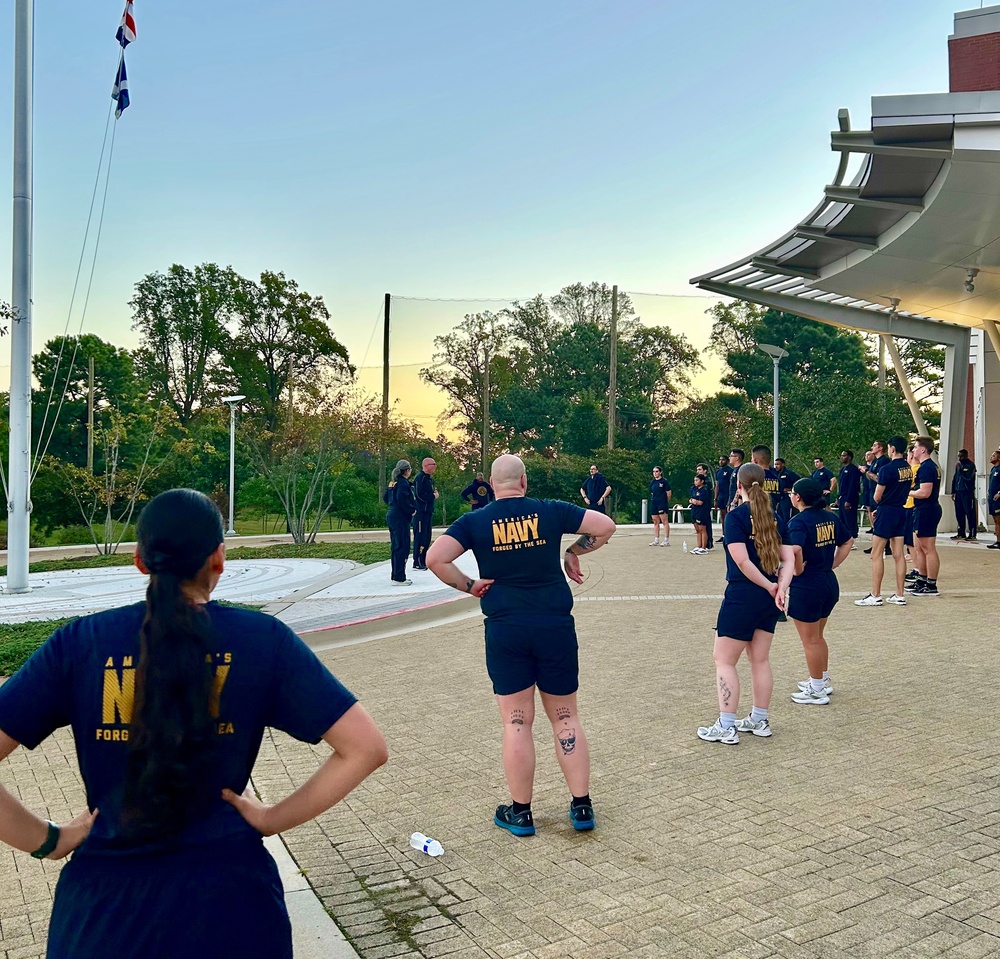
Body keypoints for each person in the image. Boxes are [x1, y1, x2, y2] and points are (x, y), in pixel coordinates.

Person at [0, 489, 387, 959]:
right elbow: (365, 748)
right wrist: (270, 818)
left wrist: (50, 841)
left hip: (103, 919)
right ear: (219, 559)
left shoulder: (78, 644)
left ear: (140, 561)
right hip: (232, 910)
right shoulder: (264, 641)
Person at [426, 454, 616, 835]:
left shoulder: (475, 521)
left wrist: (470, 585)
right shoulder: (550, 511)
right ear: (524, 482)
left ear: (493, 486)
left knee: (516, 722)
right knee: (565, 717)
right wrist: (572, 551)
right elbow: (605, 525)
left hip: (506, 629)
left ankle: (521, 812)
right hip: (554, 626)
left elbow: (435, 558)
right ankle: (581, 807)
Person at [697, 463, 794, 744]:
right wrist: (779, 588)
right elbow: (788, 560)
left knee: (724, 660)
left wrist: (770, 585)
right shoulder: (775, 516)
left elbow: (742, 561)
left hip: (742, 596)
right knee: (760, 659)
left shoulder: (736, 517)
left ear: (739, 486)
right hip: (768, 600)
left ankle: (726, 725)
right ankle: (759, 719)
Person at [783, 478, 853, 706]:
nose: (791, 496)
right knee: (818, 636)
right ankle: (821, 679)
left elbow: (796, 549)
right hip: (827, 582)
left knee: (810, 640)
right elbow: (848, 540)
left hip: (808, 586)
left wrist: (798, 568)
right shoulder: (829, 517)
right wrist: (834, 564)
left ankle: (816, 690)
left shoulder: (798, 522)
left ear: (799, 497)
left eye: (793, 493)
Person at [854, 436, 912, 607]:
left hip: (887, 511)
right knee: (899, 554)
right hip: (901, 511)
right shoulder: (908, 469)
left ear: (892, 449)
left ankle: (875, 594)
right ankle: (900, 594)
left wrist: (880, 505)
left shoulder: (887, 469)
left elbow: (877, 496)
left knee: (877, 553)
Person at [906, 437, 943, 596]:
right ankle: (922, 579)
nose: (913, 451)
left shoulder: (927, 468)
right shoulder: (928, 467)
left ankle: (932, 584)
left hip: (927, 510)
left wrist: (906, 492)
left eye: (915, 447)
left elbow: (925, 492)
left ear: (922, 449)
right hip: (921, 509)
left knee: (928, 548)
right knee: (919, 547)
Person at [384, 459, 416, 585]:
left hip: (391, 515)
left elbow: (386, 498)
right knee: (402, 546)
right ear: (407, 470)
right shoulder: (403, 484)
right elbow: (401, 498)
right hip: (400, 517)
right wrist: (411, 510)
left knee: (396, 546)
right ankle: (399, 577)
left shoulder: (393, 482)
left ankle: (396, 575)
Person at [861, 441, 890, 554]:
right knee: (875, 520)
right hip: (872, 493)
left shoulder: (884, 461)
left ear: (880, 448)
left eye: (874, 445)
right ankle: (876, 545)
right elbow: (871, 477)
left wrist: (867, 471)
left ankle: (885, 546)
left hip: (881, 495)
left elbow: (879, 478)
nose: (872, 447)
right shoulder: (875, 462)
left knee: (880, 520)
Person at [412, 457, 439, 570]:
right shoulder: (420, 478)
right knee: (420, 536)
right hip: (420, 513)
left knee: (427, 537)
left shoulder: (429, 479)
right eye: (433, 464)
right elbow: (419, 495)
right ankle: (417, 561)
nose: (435, 466)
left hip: (428, 512)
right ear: (426, 465)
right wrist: (433, 496)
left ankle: (424, 559)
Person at [950, 448, 978, 541]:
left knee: (969, 513)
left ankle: (972, 533)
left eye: (961, 456)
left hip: (967, 492)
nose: (959, 458)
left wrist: (961, 469)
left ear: (965, 456)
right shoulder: (958, 466)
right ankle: (961, 532)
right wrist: (953, 491)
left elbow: (968, 477)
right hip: (958, 492)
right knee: (959, 513)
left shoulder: (970, 465)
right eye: (958, 456)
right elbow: (955, 479)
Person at [836, 450, 861, 542]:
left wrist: (849, 500)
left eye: (844, 455)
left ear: (849, 457)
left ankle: (853, 536)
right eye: (841, 455)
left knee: (850, 518)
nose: (842, 457)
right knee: (842, 518)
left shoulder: (853, 469)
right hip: (842, 496)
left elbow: (853, 485)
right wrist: (838, 497)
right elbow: (841, 484)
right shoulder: (842, 469)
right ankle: (845, 537)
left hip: (849, 497)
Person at [751, 445, 782, 512]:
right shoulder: (777, 480)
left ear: (755, 460)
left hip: (756, 515)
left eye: (752, 459)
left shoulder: (753, 478)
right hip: (771, 516)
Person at [648, 466, 672, 546]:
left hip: (662, 503)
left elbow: (668, 493)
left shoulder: (664, 482)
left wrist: (665, 501)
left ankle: (666, 540)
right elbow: (652, 492)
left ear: (660, 472)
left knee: (664, 521)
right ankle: (656, 539)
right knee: (655, 521)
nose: (655, 473)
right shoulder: (652, 482)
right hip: (654, 502)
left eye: (657, 471)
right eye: (654, 471)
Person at [688, 473, 712, 554]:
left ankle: (704, 547)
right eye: (694, 480)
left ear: (702, 481)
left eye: (697, 480)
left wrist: (695, 501)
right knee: (697, 530)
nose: (695, 482)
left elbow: (700, 502)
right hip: (694, 511)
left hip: (702, 512)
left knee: (703, 529)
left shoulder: (704, 490)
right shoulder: (693, 489)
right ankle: (699, 546)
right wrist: (693, 501)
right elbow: (691, 500)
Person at [774, 458, 800, 526]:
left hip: (786, 497)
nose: (776, 466)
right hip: (779, 498)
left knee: (786, 516)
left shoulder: (789, 473)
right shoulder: (775, 473)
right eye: (775, 464)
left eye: (778, 464)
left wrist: (791, 489)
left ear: (783, 464)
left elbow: (798, 481)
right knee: (779, 516)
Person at [695, 463, 715, 549]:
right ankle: (702, 543)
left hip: (705, 505)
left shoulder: (707, 482)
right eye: (697, 470)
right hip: (697, 507)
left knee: (706, 525)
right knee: (699, 525)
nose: (698, 471)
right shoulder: (697, 481)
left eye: (700, 469)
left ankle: (708, 542)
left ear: (705, 471)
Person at [859, 449, 876, 532]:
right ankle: (872, 525)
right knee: (868, 508)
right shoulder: (863, 467)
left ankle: (876, 526)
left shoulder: (874, 466)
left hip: (873, 489)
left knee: (874, 508)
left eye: (868, 455)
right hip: (866, 489)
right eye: (866, 455)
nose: (867, 456)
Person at [715, 455, 734, 526]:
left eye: (723, 460)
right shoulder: (718, 471)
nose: (721, 461)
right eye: (720, 460)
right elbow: (717, 485)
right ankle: (723, 534)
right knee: (722, 515)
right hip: (721, 496)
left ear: (727, 461)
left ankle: (728, 534)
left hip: (728, 496)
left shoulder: (730, 471)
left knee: (728, 515)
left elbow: (731, 484)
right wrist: (715, 498)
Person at [989, 449, 1000, 549]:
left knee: (999, 520)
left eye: (993, 455)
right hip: (992, 499)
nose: (991, 457)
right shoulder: (993, 469)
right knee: (996, 521)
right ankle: (998, 540)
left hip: (998, 500)